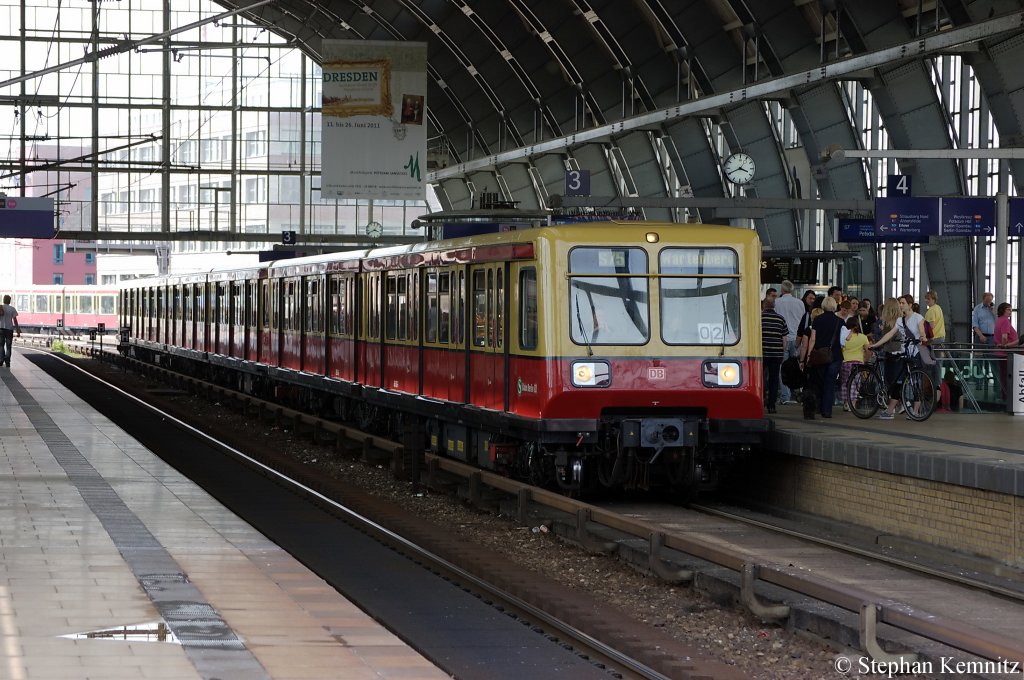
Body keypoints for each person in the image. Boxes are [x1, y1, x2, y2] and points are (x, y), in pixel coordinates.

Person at [867, 296, 924, 420]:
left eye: (903, 303)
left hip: (915, 352)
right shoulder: (900, 320)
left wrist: (922, 337)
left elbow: (922, 330)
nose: (900, 305)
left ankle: (914, 411)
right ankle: (902, 408)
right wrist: (876, 344)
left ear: (910, 305)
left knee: (915, 382)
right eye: (900, 303)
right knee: (900, 381)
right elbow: (890, 334)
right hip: (904, 352)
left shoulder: (918, 317)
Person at [801, 296, 843, 419]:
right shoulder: (840, 321)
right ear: (834, 306)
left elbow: (812, 339)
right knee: (830, 384)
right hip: (835, 356)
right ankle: (827, 411)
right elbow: (844, 339)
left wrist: (809, 355)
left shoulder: (817, 320)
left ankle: (817, 408)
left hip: (820, 356)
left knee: (820, 383)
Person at [775, 280, 806, 405]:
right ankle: (799, 392)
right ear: (792, 290)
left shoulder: (777, 302)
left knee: (783, 368)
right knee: (799, 367)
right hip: (797, 339)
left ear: (782, 290)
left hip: (783, 338)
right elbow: (803, 320)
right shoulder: (800, 303)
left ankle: (785, 396)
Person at [760, 298, 787, 414]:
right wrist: (782, 352)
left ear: (764, 306)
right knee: (774, 379)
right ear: (774, 306)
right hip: (776, 354)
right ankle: (772, 406)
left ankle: (760, 401)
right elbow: (784, 339)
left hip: (762, 354)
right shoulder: (781, 319)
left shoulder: (759, 318)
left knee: (760, 378)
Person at [840, 316, 869, 412]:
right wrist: (866, 360)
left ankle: (845, 403)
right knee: (855, 384)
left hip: (846, 362)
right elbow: (868, 350)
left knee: (845, 383)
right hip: (858, 363)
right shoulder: (863, 337)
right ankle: (852, 403)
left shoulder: (844, 337)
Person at [994, 302, 1018, 401]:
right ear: (1003, 310)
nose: (1010, 311)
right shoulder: (1005, 321)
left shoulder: (998, 320)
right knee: (1009, 376)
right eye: (1008, 309)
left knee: (1004, 376)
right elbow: (1004, 336)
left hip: (1000, 353)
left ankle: (1005, 396)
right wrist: (1005, 345)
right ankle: (1008, 397)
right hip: (1006, 353)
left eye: (1011, 309)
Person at [923, 290, 946, 387]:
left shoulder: (931, 311)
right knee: (938, 363)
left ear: (933, 299)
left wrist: (923, 337)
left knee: (930, 364)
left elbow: (930, 326)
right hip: (941, 337)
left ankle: (932, 385)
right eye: (926, 298)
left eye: (928, 299)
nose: (926, 300)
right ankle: (937, 386)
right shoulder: (938, 308)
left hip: (933, 339)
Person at [972, 292, 996, 382]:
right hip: (980, 336)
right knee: (978, 360)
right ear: (983, 299)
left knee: (992, 359)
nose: (988, 302)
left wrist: (992, 311)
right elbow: (974, 324)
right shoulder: (977, 309)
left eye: (990, 300)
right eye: (987, 300)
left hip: (991, 337)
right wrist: (980, 335)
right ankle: (978, 383)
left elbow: (998, 322)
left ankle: (992, 381)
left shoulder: (993, 309)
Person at [0, 294, 22, 367]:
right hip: (9, 330)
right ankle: (7, 361)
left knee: (1, 345)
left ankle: (1, 359)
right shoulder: (12, 309)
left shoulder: (0, 307)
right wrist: (18, 330)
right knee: (9, 346)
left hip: (1, 329)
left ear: (3, 300)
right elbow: (15, 320)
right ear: (9, 301)